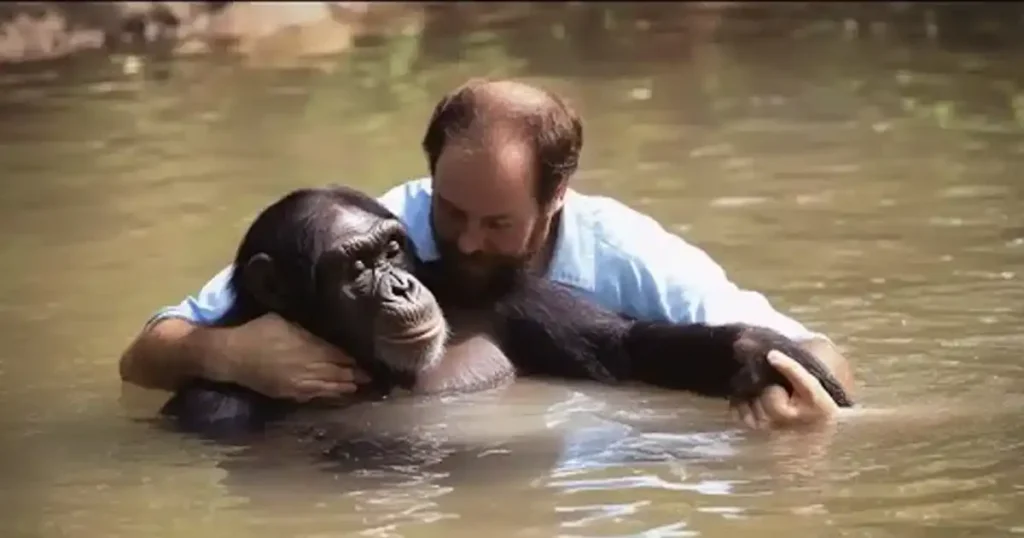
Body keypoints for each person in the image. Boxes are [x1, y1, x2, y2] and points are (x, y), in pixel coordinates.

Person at [119, 78, 854, 430]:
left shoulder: (618, 253)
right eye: (451, 213)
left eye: (499, 222)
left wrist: (813, 410)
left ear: (556, 197)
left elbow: (793, 349)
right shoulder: (374, 228)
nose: (466, 242)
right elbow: (149, 352)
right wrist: (229, 357)